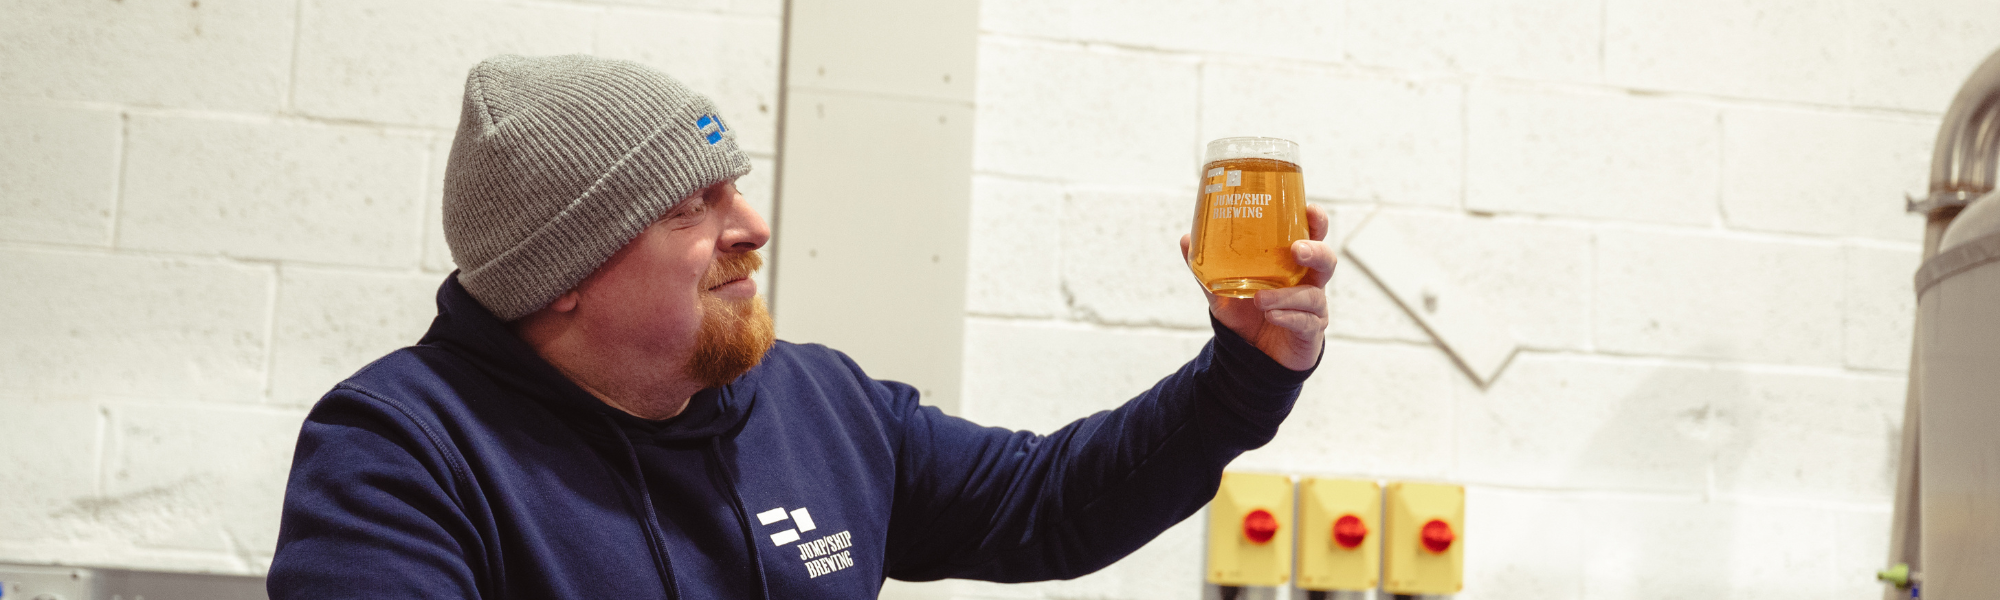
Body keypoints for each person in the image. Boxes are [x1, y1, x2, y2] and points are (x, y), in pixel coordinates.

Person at [267, 54, 1333, 600]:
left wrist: (1243, 372)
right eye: (692, 208)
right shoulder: (402, 452)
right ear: (563, 275)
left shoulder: (812, 404)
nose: (754, 227)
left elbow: (1046, 502)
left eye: (735, 187)